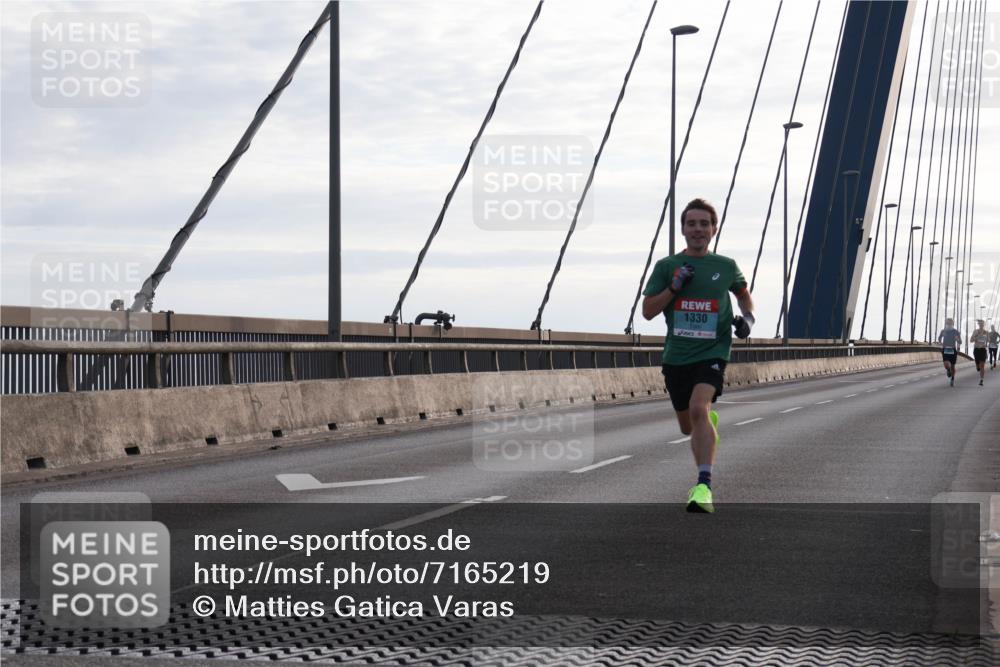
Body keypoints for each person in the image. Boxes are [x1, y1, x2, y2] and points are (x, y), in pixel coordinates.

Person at [642, 198, 755, 514]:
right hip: (677, 356)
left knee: (698, 406)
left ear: (714, 229)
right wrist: (674, 288)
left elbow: (745, 299)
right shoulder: (667, 267)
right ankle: (704, 422)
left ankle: (703, 486)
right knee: (688, 426)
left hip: (713, 351)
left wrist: (747, 321)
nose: (698, 229)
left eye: (704, 224)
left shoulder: (726, 266)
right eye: (691, 223)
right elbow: (649, 311)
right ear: (682, 229)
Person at [937, 318, 961, 387]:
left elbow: (960, 342)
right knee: (946, 365)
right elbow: (939, 338)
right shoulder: (943, 331)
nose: (948, 325)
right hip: (945, 349)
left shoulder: (956, 332)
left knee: (953, 366)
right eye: (947, 323)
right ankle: (948, 369)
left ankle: (952, 379)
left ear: (953, 324)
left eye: (950, 324)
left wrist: (957, 340)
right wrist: (940, 342)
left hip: (953, 350)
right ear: (945, 324)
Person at [969, 320, 989, 386]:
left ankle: (981, 380)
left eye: (982, 324)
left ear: (984, 325)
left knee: (982, 365)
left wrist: (988, 340)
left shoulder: (986, 332)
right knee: (978, 366)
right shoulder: (976, 331)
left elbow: (989, 340)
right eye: (980, 324)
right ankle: (977, 366)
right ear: (978, 324)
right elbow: (971, 340)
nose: (981, 325)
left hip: (983, 350)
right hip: (976, 349)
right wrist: (976, 337)